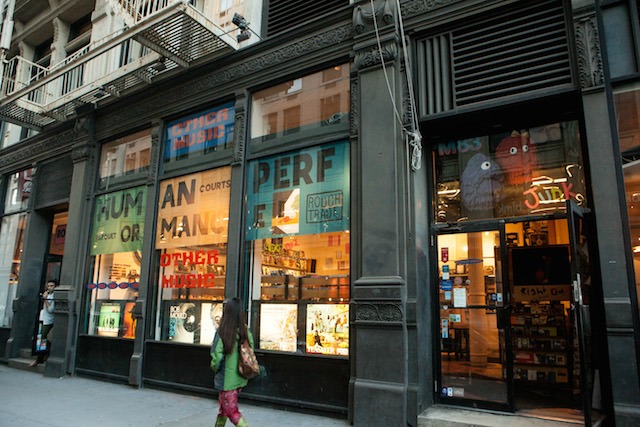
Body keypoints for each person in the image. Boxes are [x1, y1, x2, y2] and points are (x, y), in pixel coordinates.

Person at [210, 297, 253, 427]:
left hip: (226, 380)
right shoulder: (245, 330)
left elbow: (216, 357)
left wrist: (213, 367)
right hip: (240, 377)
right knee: (224, 409)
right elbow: (250, 350)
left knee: (231, 411)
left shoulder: (223, 331)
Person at [30, 280, 57, 367]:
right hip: (42, 319)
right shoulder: (47, 294)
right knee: (41, 338)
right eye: (48, 286)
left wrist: (45, 299)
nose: (50, 287)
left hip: (49, 320)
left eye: (52, 286)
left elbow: (51, 310)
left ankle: (39, 359)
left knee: (42, 339)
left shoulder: (54, 296)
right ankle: (43, 355)